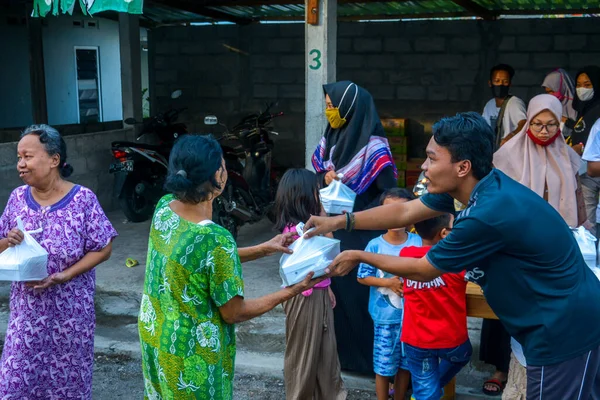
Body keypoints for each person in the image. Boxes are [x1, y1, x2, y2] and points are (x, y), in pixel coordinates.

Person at [304, 112, 600, 400]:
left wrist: (360, 255)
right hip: (547, 325)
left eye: (432, 158)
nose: (424, 167)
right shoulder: (476, 188)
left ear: (462, 167)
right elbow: (405, 210)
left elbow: (423, 268)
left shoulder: (487, 213)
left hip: (563, 330)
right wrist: (338, 221)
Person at [138, 135, 322, 399]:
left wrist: (265, 248)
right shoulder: (216, 239)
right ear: (218, 176)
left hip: (156, 335)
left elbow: (201, 261)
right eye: (224, 164)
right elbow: (234, 312)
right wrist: (293, 290)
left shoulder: (164, 208)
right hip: (192, 355)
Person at [0, 124, 118, 398]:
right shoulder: (17, 199)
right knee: (15, 385)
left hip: (70, 319)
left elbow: (103, 248)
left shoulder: (83, 200)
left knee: (66, 387)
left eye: (28, 156)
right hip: (26, 318)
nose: (21, 164)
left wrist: (64, 275)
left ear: (54, 160)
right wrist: (8, 240)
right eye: (19, 158)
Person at [494, 94, 587, 398]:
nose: (544, 131)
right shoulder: (508, 154)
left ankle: (546, 375)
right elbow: (496, 200)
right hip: (517, 245)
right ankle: (504, 370)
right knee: (510, 307)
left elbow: (577, 202)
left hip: (558, 248)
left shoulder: (569, 157)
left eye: (551, 125)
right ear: (528, 121)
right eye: (537, 124)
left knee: (551, 311)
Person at [312, 80, 397, 373]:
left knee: (360, 297)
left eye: (331, 105)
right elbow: (318, 171)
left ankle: (369, 362)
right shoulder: (332, 138)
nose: (328, 110)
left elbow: (389, 195)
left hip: (363, 234)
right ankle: (346, 358)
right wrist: (324, 180)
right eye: (326, 105)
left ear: (348, 107)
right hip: (334, 231)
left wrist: (358, 211)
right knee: (340, 298)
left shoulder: (375, 150)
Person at [273, 168, 346, 400]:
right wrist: (324, 214)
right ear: (304, 196)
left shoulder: (306, 227)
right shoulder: (298, 232)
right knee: (304, 356)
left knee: (325, 355)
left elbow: (323, 262)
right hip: (305, 298)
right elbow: (331, 250)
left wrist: (328, 287)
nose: (320, 195)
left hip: (318, 293)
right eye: (316, 191)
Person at [357, 188, 422, 400]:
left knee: (406, 365)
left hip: (412, 318)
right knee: (383, 367)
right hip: (385, 320)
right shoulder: (374, 245)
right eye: (389, 210)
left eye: (401, 210)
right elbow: (362, 276)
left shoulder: (418, 243)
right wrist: (388, 282)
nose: (395, 216)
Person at [401, 214, 472, 400]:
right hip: (453, 341)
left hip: (415, 339)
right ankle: (426, 391)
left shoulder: (406, 255)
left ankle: (425, 391)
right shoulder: (458, 260)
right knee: (463, 355)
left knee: (426, 390)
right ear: (444, 233)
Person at [576, 67, 600, 235]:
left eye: (587, 84)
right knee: (587, 226)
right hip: (587, 172)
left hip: (589, 168)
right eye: (579, 85)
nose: (582, 89)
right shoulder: (586, 111)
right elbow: (591, 170)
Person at [482, 63, 527, 149]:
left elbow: (524, 124)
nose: (500, 85)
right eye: (497, 81)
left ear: (510, 84)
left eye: (505, 82)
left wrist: (511, 136)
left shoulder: (514, 103)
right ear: (490, 83)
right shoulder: (489, 105)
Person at [541, 68, 578, 137]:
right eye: (547, 92)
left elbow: (580, 129)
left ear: (562, 87)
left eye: (552, 91)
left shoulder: (577, 105)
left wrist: (565, 120)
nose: (550, 95)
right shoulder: (549, 105)